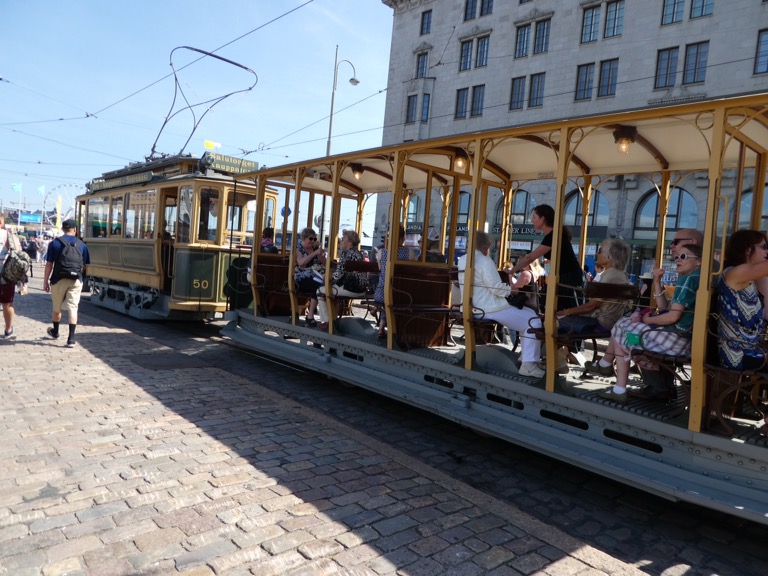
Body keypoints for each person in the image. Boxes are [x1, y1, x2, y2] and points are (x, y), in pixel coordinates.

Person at [594, 243, 702, 403]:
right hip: (684, 340)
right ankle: (614, 374)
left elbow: (672, 316)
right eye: (677, 257)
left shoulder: (688, 280)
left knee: (622, 331)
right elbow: (664, 307)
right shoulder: (695, 278)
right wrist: (657, 282)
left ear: (699, 261)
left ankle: (617, 382)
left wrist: (647, 319)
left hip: (675, 340)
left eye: (684, 256)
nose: (678, 260)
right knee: (624, 329)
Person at [459, 231, 544, 378]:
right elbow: (496, 288)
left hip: (475, 306)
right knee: (533, 321)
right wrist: (511, 290)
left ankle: (526, 356)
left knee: (529, 315)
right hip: (490, 307)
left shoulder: (463, 259)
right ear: (485, 247)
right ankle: (528, 365)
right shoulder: (485, 261)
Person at [508, 204, 584, 311]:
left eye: (534, 217)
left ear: (543, 219)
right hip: (566, 277)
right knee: (551, 306)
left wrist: (512, 270)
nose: (532, 221)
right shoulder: (555, 234)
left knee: (553, 307)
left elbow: (529, 258)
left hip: (567, 278)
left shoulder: (553, 236)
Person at [716, 230, 768, 370]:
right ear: (747, 249)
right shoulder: (734, 273)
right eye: (764, 247)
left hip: (754, 349)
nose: (766, 251)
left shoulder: (751, 279)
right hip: (738, 354)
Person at [43, 219, 90, 348]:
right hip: (76, 280)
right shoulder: (82, 245)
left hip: (58, 279)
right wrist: (81, 279)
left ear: (63, 229)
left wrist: (45, 281)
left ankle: (56, 331)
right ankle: (71, 339)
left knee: (57, 307)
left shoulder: (55, 243)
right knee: (73, 308)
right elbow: (85, 266)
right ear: (75, 229)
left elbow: (49, 264)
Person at [316, 229, 368, 330]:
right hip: (361, 290)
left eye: (343, 239)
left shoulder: (346, 253)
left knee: (320, 290)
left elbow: (339, 273)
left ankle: (327, 321)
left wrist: (327, 277)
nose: (341, 241)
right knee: (331, 290)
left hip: (351, 289)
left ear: (350, 242)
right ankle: (333, 319)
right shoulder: (358, 254)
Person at [294, 227, 326, 327]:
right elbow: (301, 263)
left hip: (316, 276)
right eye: (311, 239)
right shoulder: (298, 248)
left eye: (314, 239)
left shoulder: (315, 249)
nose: (313, 241)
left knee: (325, 285)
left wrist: (321, 256)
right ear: (304, 238)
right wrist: (314, 254)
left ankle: (326, 318)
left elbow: (325, 264)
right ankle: (311, 315)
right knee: (319, 286)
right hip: (301, 276)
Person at [0, 215, 15, 340]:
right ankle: (8, 329)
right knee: (7, 303)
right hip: (6, 274)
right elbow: (18, 254)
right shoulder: (8, 234)